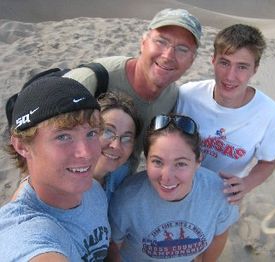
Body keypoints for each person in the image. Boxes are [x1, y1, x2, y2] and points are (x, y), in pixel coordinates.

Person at [63, 8, 202, 172]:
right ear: (143, 43)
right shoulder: (89, 81)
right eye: (161, 41)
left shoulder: (173, 97)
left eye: (182, 49)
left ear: (191, 60)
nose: (168, 55)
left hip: (118, 188)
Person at [0, 77, 110, 261]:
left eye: (91, 133)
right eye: (63, 137)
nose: (86, 153)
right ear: (22, 146)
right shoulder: (23, 231)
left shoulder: (94, 190)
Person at [176, 24, 275, 205]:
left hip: (221, 196)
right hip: (178, 186)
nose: (230, 76)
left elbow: (268, 162)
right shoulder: (188, 95)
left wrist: (246, 184)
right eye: (224, 63)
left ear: (255, 68)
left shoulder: (269, 113)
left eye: (242, 67)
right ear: (213, 60)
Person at [108, 114, 238, 261]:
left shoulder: (218, 191)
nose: (167, 176)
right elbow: (113, 246)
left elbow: (220, 234)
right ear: (147, 159)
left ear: (198, 161)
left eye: (180, 163)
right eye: (157, 161)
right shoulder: (127, 199)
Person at [94, 91, 142, 203]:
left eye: (126, 138)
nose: (116, 145)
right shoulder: (64, 185)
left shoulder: (122, 175)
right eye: (108, 132)